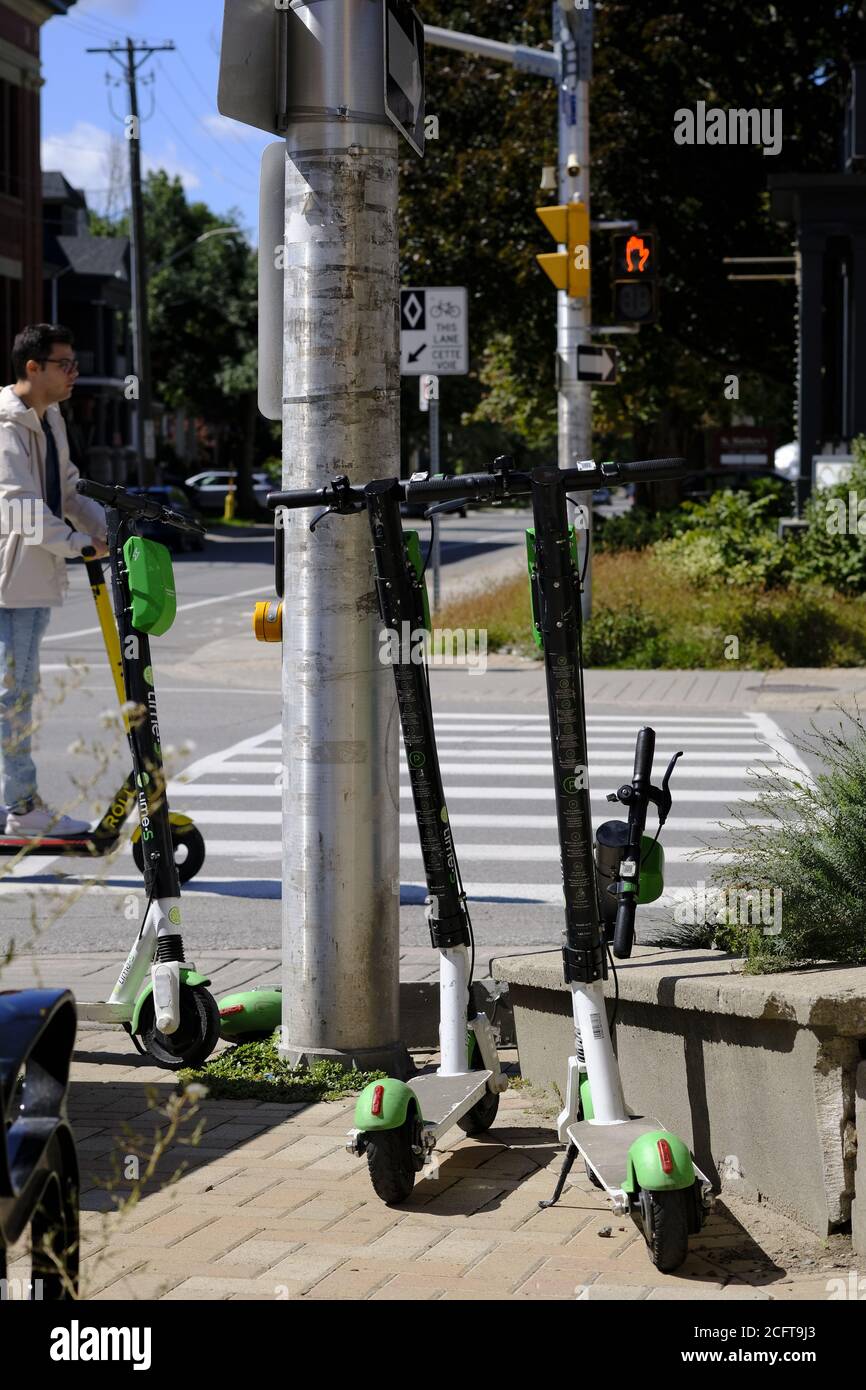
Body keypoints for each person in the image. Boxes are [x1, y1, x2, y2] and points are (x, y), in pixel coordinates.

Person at [0, 323, 109, 836]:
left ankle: (17, 804)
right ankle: (21, 809)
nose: (74, 373)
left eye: (75, 364)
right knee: (14, 695)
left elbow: (65, 491)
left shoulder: (50, 419)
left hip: (33, 579)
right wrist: (78, 544)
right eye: (64, 364)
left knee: (18, 691)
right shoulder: (5, 426)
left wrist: (109, 527)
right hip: (10, 584)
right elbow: (19, 510)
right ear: (33, 368)